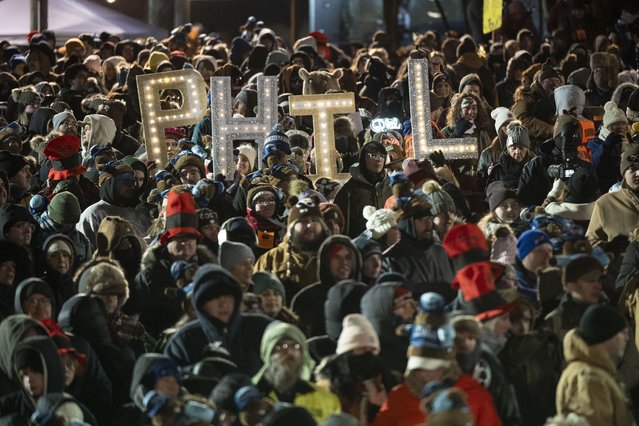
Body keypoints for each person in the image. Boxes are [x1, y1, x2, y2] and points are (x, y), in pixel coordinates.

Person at [133, 189, 216, 336]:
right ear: (167, 242)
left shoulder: (210, 270)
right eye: (179, 238)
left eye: (190, 238)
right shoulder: (149, 275)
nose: (185, 243)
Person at [164, 264, 271, 376]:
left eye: (228, 296)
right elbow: (167, 380)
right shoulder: (184, 340)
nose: (223, 304)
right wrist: (193, 372)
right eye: (214, 297)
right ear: (201, 303)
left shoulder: (262, 328)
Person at [383, 174, 455, 302]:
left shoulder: (441, 252)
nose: (428, 224)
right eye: (421, 219)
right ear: (407, 223)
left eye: (429, 218)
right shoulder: (392, 259)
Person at [556, 305, 632, 425]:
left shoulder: (597, 371)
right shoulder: (588, 378)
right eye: (622, 333)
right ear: (606, 335)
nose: (627, 338)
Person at [252, 321, 340, 424]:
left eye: (295, 347)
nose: (289, 352)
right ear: (269, 353)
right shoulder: (253, 397)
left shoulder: (326, 399)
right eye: (282, 346)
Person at [254, 196, 330, 301]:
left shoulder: (333, 255)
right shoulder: (271, 258)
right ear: (291, 228)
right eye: (303, 221)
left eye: (314, 220)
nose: (309, 225)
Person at [291, 235, 362, 337]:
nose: (344, 263)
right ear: (326, 261)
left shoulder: (365, 296)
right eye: (337, 257)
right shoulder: (306, 299)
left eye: (348, 257)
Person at [76, 160, 150, 250]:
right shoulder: (93, 214)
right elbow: (85, 251)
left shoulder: (136, 212)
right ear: (111, 184)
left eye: (132, 182)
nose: (132, 186)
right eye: (126, 182)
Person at [333, 140, 392, 238]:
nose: (379, 160)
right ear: (363, 158)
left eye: (382, 156)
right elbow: (341, 226)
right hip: (361, 246)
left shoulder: (392, 187)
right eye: (373, 155)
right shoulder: (350, 190)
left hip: (391, 248)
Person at [587, 144, 639, 248]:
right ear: (624, 173)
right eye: (632, 169)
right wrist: (612, 249)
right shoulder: (606, 203)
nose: (638, 173)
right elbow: (590, 244)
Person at [544, 256, 606, 341]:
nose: (598, 286)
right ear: (571, 286)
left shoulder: (613, 316)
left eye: (600, 280)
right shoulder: (555, 322)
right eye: (590, 281)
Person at [511, 60, 561, 149]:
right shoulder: (526, 97)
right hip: (530, 148)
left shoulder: (556, 98)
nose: (555, 84)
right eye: (550, 80)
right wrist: (551, 129)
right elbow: (522, 120)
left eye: (557, 81)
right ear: (540, 82)